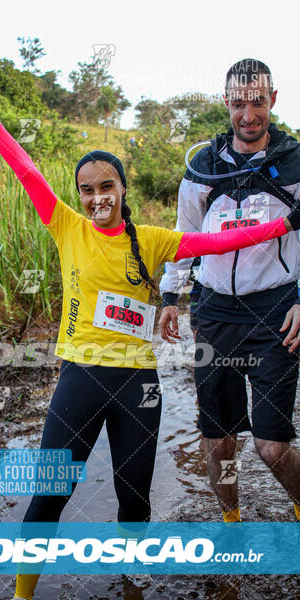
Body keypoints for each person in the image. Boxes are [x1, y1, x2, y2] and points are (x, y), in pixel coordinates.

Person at [0, 67, 300, 600]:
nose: (97, 199)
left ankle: (131, 582)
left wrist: (284, 226)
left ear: (122, 188)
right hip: (80, 378)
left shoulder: (155, 240)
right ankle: (23, 593)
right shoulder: (65, 226)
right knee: (50, 495)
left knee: (133, 500)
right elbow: (23, 168)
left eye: (107, 187)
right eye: (86, 191)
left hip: (139, 387)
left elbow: (215, 245)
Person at [159, 58, 300, 524]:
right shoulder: (203, 165)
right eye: (238, 102)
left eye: (257, 101)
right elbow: (184, 236)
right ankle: (230, 520)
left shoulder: (295, 161)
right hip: (215, 312)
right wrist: (169, 297)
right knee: (218, 438)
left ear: (272, 100)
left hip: (276, 313)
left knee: (272, 445)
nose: (248, 113)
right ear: (226, 103)